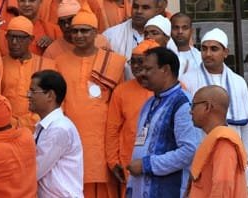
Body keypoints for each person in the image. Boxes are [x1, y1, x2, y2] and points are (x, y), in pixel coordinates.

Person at [54, 10, 126, 198]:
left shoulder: (112, 62)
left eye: (85, 31)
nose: (79, 35)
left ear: (95, 32)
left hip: (103, 140)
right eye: (75, 31)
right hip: (71, 139)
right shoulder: (59, 62)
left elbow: (120, 104)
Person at [179, 28, 248, 191]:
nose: (208, 53)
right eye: (204, 48)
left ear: (225, 52)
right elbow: (184, 123)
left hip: (231, 154)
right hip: (199, 153)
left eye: (214, 49)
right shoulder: (187, 79)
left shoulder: (238, 82)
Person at [126, 47, 203, 197]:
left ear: (165, 70)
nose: (142, 74)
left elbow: (189, 151)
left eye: (148, 69)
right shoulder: (149, 103)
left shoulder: (183, 104)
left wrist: (147, 165)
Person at [104, 39, 158, 197]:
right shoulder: (121, 91)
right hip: (130, 163)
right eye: (132, 62)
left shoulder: (173, 89)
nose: (135, 66)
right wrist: (113, 162)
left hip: (161, 164)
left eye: (140, 62)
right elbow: (112, 129)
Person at [25, 69, 84, 197]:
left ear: (50, 96)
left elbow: (34, 171)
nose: (28, 95)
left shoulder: (59, 128)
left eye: (33, 91)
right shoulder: (47, 126)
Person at [187, 85, 248, 198]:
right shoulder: (214, 139)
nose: (190, 111)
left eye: (193, 105)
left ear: (207, 107)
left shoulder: (224, 141)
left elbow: (222, 186)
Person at [0, 16, 57, 131]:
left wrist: (25, 123)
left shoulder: (47, 65)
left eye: (20, 38)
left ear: (31, 39)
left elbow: (54, 103)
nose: (14, 42)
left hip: (39, 129)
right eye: (11, 37)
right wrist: (10, 122)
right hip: (5, 129)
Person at [103, 0, 164, 79]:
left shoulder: (165, 35)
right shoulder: (111, 35)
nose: (139, 11)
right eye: (135, 7)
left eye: (145, 8)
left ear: (157, 10)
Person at [42, 0, 111, 60]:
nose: (66, 25)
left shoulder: (102, 42)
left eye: (70, 20)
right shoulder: (51, 51)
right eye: (62, 22)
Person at [170, 13, 202, 78]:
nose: (180, 31)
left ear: (191, 31)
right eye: (176, 28)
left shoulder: (200, 57)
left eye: (185, 28)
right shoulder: (163, 56)